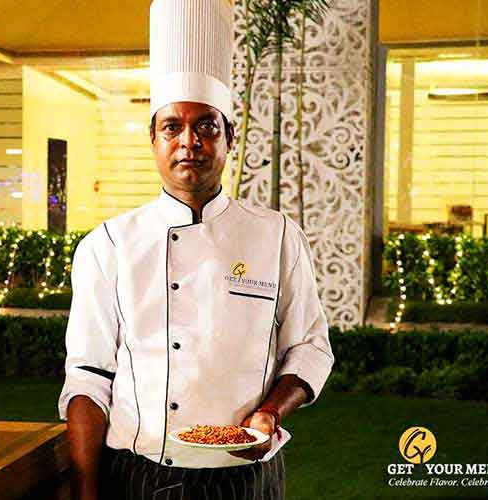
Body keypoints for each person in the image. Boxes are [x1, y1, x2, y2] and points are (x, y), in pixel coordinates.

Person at [59, 1, 334, 499]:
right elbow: (88, 376)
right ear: (153, 138)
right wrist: (86, 489)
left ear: (230, 137)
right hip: (139, 476)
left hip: (246, 476)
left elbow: (310, 348)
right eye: (172, 127)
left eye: (207, 126)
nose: (189, 141)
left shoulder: (276, 236)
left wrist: (270, 413)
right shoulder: (109, 244)